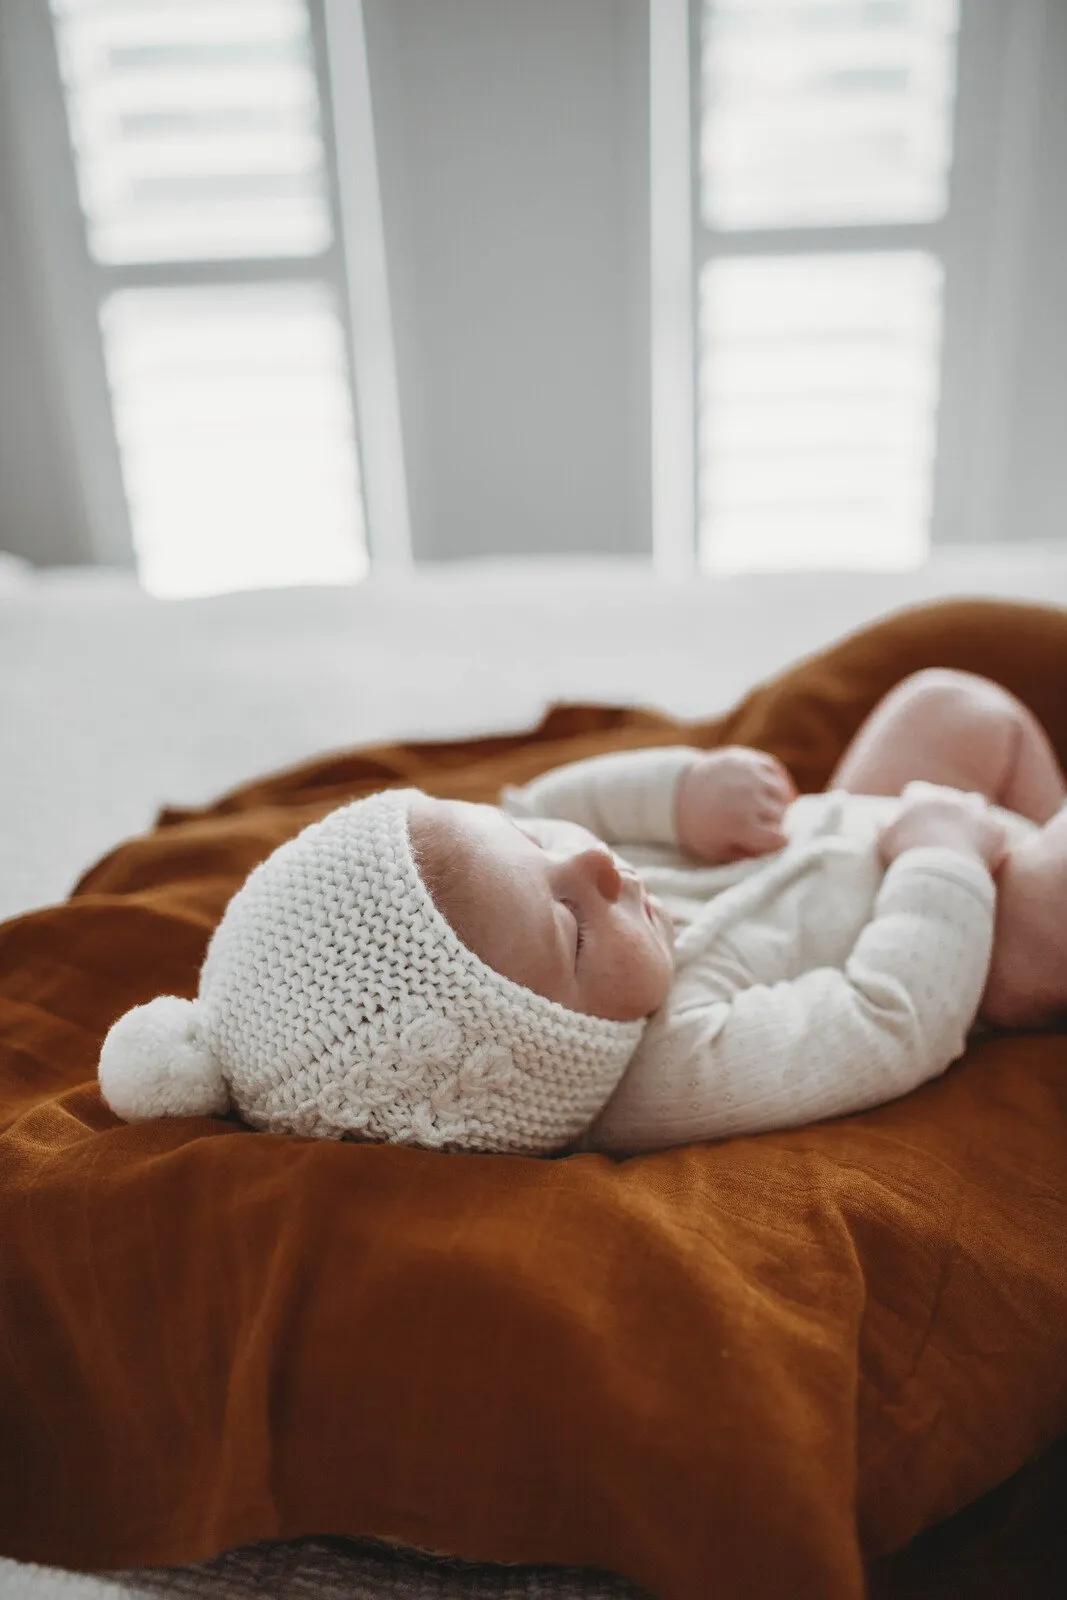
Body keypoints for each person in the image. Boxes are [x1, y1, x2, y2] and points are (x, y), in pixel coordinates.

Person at [98, 669, 1067, 1158]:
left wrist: (680, 793)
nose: (594, 866)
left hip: (842, 829)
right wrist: (941, 859)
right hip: (962, 927)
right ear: (550, 1055)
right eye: (568, 929)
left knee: (952, 707)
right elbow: (882, 1020)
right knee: (1045, 898)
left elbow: (547, 809)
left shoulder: (546, 876)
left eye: (538, 853)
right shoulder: (668, 1070)